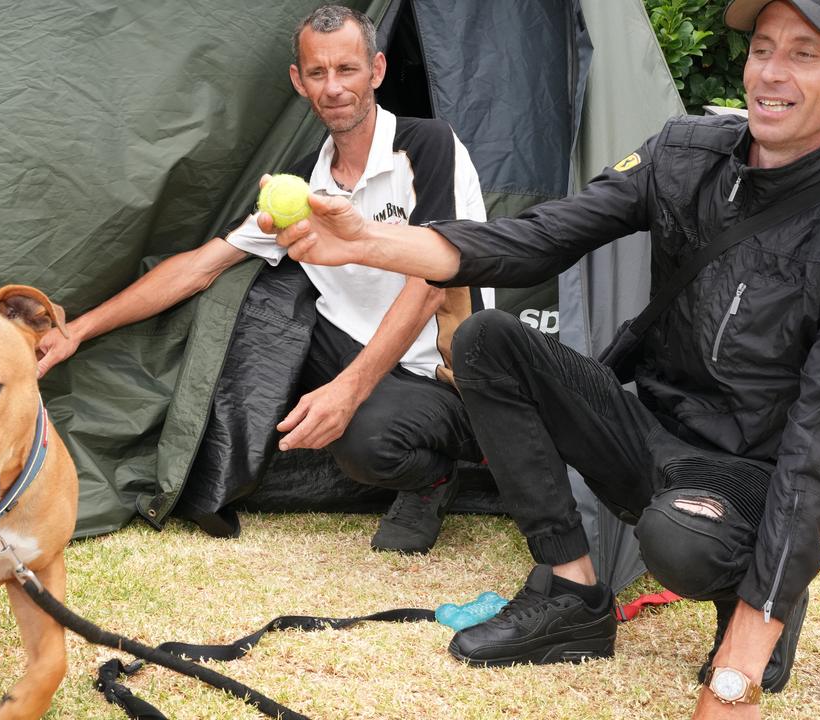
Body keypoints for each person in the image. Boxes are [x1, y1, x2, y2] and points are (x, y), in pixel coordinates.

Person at [260, 1, 820, 717]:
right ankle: (572, 592)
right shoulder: (686, 153)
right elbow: (539, 238)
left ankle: (759, 600)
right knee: (488, 340)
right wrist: (365, 242)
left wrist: (738, 670)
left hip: (750, 477)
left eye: (804, 54)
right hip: (648, 426)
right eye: (763, 48)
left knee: (681, 538)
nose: (771, 72)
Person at [36, 5, 486, 554]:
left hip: (435, 375)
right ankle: (220, 476)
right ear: (299, 82)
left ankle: (432, 479)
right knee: (254, 295)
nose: (334, 87)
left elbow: (430, 285)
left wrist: (349, 390)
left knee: (368, 445)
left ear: (377, 71)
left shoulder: (431, 146)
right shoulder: (300, 184)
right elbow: (200, 268)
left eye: (347, 69)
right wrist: (77, 330)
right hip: (347, 349)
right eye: (318, 73)